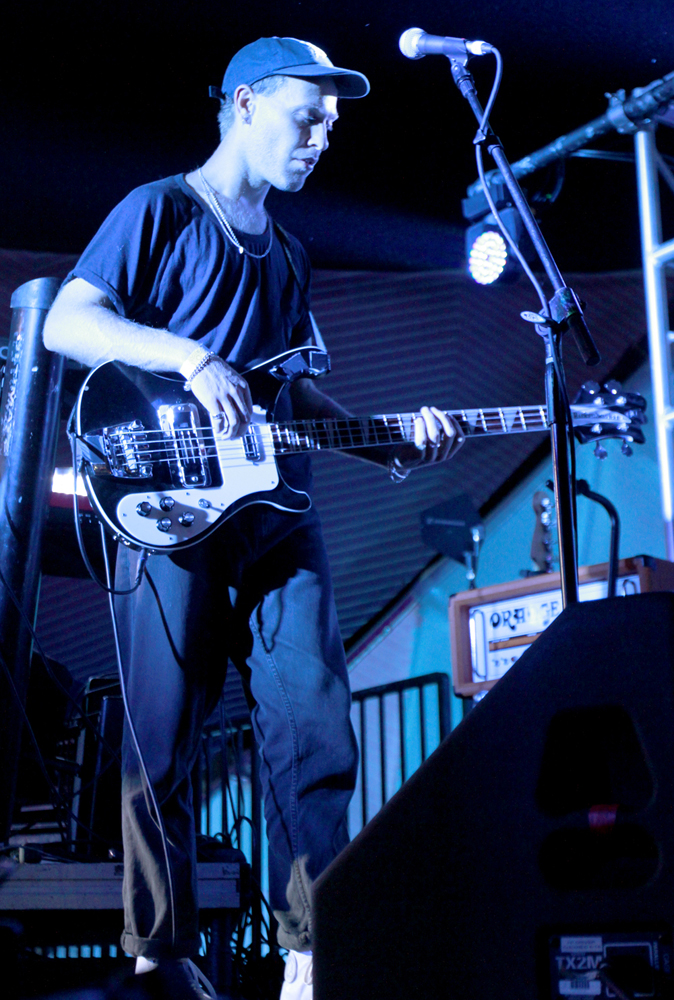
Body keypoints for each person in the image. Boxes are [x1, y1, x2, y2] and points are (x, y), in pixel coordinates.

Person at [43, 36, 464, 1000]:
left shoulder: (290, 254)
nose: (321, 139)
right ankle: (160, 952)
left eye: (331, 126)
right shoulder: (159, 210)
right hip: (164, 510)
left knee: (316, 731)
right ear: (241, 107)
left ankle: (310, 950)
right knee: (164, 736)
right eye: (305, 117)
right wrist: (187, 357)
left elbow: (291, 403)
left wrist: (386, 439)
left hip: (275, 513)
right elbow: (72, 320)